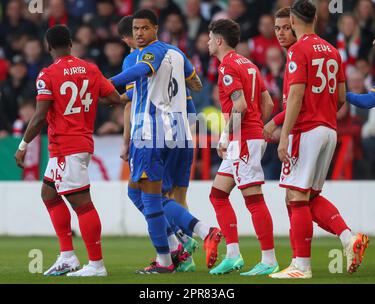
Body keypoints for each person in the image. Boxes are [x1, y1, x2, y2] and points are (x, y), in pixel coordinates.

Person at [264, 6, 369, 277]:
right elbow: (342, 97)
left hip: (307, 130)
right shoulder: (333, 51)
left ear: (294, 21)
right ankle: (348, 239)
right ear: (315, 18)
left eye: (285, 26)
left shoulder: (299, 51)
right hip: (328, 130)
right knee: (307, 196)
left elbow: (296, 96)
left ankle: (301, 265)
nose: (282, 31)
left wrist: (284, 134)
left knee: (296, 197)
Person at [116, 14, 222, 273]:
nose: (139, 34)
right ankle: (179, 248)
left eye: (143, 29)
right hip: (181, 130)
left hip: (150, 130)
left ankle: (191, 240)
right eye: (136, 29)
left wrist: (105, 89)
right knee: (158, 194)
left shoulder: (136, 58)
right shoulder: (177, 53)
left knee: (150, 198)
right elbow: (195, 83)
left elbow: (130, 99)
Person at [14, 25, 124, 277]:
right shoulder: (91, 68)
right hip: (75, 144)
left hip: (67, 146)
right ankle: (67, 256)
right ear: (72, 43)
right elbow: (113, 99)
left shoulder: (47, 74)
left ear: (48, 46)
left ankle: (96, 265)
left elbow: (40, 115)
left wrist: (23, 145)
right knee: (49, 194)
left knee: (82, 204)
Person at [207, 18, 278, 276]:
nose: (206, 43)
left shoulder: (227, 67)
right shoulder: (249, 64)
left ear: (218, 40)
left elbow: (240, 106)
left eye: (209, 38)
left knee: (254, 199)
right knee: (217, 195)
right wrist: (259, 127)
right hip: (249, 137)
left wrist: (226, 136)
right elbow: (267, 103)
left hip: (243, 140)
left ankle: (269, 260)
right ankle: (234, 255)